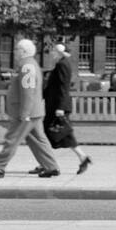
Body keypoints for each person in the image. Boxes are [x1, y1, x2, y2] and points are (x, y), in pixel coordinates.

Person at [0, 39, 59, 179]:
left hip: (25, 112)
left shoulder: (27, 67)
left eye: (17, 49)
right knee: (38, 140)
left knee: (12, 138)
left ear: (24, 51)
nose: (15, 52)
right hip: (34, 111)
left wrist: (24, 113)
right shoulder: (29, 65)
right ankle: (51, 166)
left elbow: (28, 91)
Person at [40, 42, 93, 176]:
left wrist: (61, 107)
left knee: (44, 135)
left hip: (57, 107)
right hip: (55, 106)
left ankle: (46, 164)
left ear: (59, 53)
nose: (51, 53)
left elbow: (64, 87)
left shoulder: (62, 65)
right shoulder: (61, 64)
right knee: (62, 135)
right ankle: (82, 158)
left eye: (54, 51)